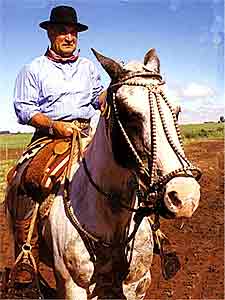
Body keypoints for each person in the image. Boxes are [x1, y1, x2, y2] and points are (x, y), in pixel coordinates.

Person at [10, 5, 106, 290]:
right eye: (62, 31)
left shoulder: (88, 67)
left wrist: (109, 98)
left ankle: (149, 234)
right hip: (50, 136)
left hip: (86, 132)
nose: (69, 37)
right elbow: (25, 109)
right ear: (50, 33)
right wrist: (54, 125)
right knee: (27, 179)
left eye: (73, 32)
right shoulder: (34, 69)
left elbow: (96, 97)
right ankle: (26, 253)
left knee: (123, 165)